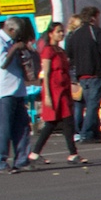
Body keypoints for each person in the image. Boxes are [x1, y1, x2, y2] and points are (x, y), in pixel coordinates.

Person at [27, 21, 83, 166]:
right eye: (58, 31)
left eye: (62, 31)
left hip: (63, 89)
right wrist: (47, 95)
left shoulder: (60, 51)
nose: (61, 34)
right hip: (53, 89)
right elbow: (46, 74)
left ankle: (72, 153)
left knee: (67, 121)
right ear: (51, 33)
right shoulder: (48, 51)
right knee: (51, 123)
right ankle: (35, 153)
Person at [0, 17, 35, 174]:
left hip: (17, 89)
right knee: (4, 129)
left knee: (22, 127)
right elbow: (2, 63)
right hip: (2, 92)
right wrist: (14, 49)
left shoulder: (11, 42)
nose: (18, 37)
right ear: (11, 30)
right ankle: (1, 162)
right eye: (17, 33)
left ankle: (21, 159)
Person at [63, 5, 101, 142]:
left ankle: (95, 134)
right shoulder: (96, 32)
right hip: (95, 73)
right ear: (93, 18)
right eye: (98, 17)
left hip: (81, 76)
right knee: (93, 105)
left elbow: (69, 55)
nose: (99, 20)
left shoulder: (75, 34)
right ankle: (85, 133)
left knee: (91, 104)